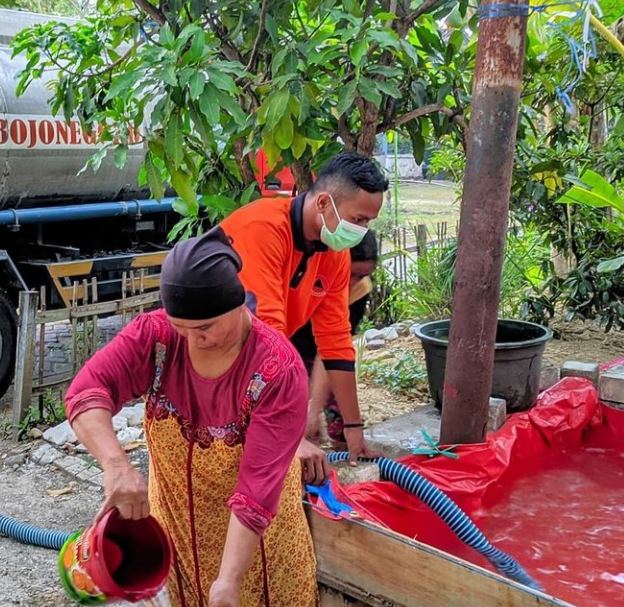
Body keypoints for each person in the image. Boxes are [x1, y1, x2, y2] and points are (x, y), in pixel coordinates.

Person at [64, 229, 317, 607]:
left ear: (237, 305)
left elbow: (256, 494)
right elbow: (85, 391)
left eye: (204, 328)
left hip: (255, 547)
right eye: (180, 326)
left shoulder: (277, 370)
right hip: (177, 532)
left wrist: (228, 582)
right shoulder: (157, 337)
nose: (191, 340)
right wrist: (116, 464)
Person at [218, 151, 388, 480]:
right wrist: (291, 436)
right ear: (324, 202)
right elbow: (267, 339)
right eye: (359, 220)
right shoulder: (263, 229)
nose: (363, 231)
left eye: (368, 222)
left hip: (249, 362)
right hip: (214, 358)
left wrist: (355, 432)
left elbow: (336, 341)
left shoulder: (334, 254)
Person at [291, 230, 379, 450]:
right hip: (289, 340)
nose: (352, 283)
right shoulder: (304, 275)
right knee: (292, 410)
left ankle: (343, 452)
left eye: (361, 275)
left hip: (325, 347)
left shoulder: (359, 289)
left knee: (338, 404)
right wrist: (307, 408)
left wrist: (315, 408)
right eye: (350, 274)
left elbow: (332, 351)